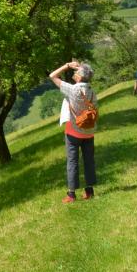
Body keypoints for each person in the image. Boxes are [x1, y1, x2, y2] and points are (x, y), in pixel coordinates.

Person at [50, 60, 97, 203]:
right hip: (88, 130)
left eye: (76, 72)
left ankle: (71, 195)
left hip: (73, 131)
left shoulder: (72, 89)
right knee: (89, 160)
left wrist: (67, 66)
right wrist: (80, 68)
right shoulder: (91, 90)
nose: (74, 74)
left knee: (72, 161)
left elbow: (53, 76)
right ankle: (89, 191)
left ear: (79, 77)